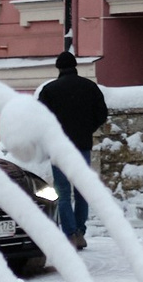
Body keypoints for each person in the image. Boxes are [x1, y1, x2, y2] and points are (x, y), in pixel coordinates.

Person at [35, 51, 107, 247]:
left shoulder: (49, 90)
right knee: (82, 190)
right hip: (82, 145)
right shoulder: (89, 87)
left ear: (58, 68)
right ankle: (81, 231)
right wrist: (86, 129)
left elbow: (40, 118)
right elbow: (102, 114)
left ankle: (71, 233)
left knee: (63, 192)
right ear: (75, 65)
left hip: (59, 147)